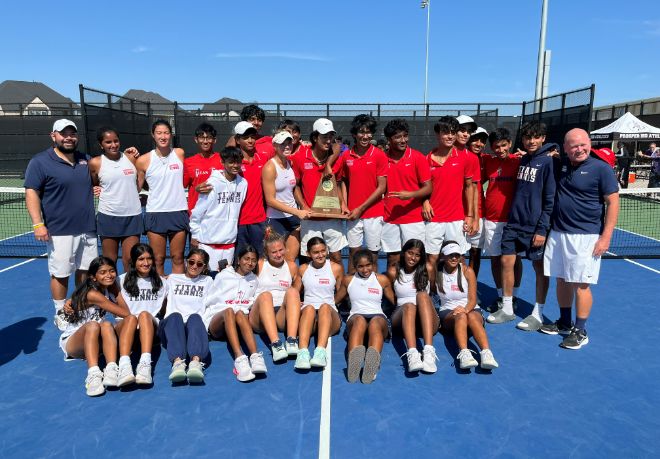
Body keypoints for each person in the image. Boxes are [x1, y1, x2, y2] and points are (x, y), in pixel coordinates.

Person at [540, 129, 619, 349]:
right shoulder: (562, 165)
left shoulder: (601, 169)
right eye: (574, 146)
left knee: (581, 285)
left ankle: (580, 330)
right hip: (558, 233)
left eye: (583, 144)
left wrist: (606, 237)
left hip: (586, 237)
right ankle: (564, 322)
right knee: (561, 279)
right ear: (565, 148)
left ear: (589, 144)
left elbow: (613, 203)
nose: (579, 149)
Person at [487, 121, 558, 331]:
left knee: (539, 269)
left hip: (534, 227)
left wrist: (542, 229)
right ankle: (507, 308)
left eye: (536, 137)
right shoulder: (524, 159)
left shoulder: (549, 162)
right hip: (513, 223)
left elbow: (550, 198)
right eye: (528, 137)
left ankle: (537, 313)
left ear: (543, 138)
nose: (531, 141)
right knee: (506, 261)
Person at [24, 119, 97, 319]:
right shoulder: (40, 162)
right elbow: (31, 193)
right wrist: (38, 224)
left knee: (85, 272)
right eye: (63, 134)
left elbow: (97, 178)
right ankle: (60, 312)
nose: (68, 138)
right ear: (53, 135)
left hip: (88, 229)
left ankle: (81, 306)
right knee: (61, 274)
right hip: (59, 231)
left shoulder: (85, 160)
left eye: (72, 134)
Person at [56, 256, 130, 397]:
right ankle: (93, 375)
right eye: (102, 272)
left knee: (106, 324)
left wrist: (113, 290)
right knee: (93, 326)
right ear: (93, 277)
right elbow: (125, 313)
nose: (109, 275)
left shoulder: (105, 289)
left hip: (93, 338)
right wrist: (117, 291)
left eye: (112, 271)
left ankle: (111, 369)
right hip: (73, 342)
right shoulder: (93, 294)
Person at [204, 245, 266, 382]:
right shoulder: (223, 276)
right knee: (229, 311)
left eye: (253, 260)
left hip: (237, 320)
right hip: (217, 322)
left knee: (238, 313)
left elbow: (253, 301)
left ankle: (255, 356)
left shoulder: (254, 280)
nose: (250, 263)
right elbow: (209, 300)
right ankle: (239, 359)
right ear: (238, 259)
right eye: (246, 259)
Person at [335, 114, 388, 273]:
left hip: (374, 214)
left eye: (368, 132)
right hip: (353, 214)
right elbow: (341, 180)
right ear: (354, 134)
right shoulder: (346, 155)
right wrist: (344, 204)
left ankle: (374, 291)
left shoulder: (379, 155)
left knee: (372, 255)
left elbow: (381, 188)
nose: (365, 136)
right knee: (354, 254)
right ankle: (351, 292)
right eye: (361, 132)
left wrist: (361, 207)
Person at [291, 119, 348, 263]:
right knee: (308, 258)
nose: (328, 140)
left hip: (333, 218)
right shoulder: (300, 158)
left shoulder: (337, 159)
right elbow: (296, 186)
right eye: (324, 137)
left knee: (336, 257)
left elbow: (339, 184)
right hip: (310, 219)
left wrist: (343, 204)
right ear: (315, 138)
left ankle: (338, 286)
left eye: (330, 136)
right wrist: (304, 206)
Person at [136, 119, 188, 275]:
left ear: (171, 135)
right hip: (155, 213)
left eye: (166, 132)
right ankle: (160, 297)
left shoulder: (179, 153)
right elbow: (136, 188)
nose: (163, 136)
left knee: (178, 257)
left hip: (178, 212)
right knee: (157, 259)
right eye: (159, 133)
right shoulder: (143, 160)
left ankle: (175, 297)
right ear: (153, 135)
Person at [422, 116, 472, 277]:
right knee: (432, 259)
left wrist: (470, 215)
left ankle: (462, 294)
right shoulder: (426, 160)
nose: (450, 136)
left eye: (452, 132)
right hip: (433, 219)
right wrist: (424, 202)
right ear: (437, 135)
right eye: (445, 133)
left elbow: (469, 187)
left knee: (459, 259)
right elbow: (422, 187)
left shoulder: (465, 157)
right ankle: (432, 295)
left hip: (456, 219)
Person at [335, 249, 395, 384]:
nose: (365, 269)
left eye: (368, 265)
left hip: (378, 316)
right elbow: (335, 300)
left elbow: (395, 301)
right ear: (355, 267)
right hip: (356, 316)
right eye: (360, 266)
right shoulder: (348, 280)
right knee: (359, 320)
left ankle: (371, 367)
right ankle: (353, 366)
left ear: (373, 264)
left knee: (375, 322)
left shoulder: (382, 279)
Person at [436, 241, 498, 370]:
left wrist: (464, 309)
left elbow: (472, 299)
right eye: (450, 255)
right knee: (461, 317)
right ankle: (464, 353)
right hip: (448, 312)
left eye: (457, 255)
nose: (454, 258)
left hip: (470, 308)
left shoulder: (468, 271)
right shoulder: (435, 272)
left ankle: (487, 354)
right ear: (443, 256)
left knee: (472, 317)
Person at [88, 127, 142, 272]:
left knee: (130, 260)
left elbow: (139, 182)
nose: (113, 145)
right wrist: (94, 188)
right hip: (108, 217)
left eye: (116, 141)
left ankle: (129, 292)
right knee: (109, 262)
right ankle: (111, 294)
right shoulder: (95, 163)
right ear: (101, 145)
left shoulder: (131, 158)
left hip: (132, 216)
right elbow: (93, 183)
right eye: (108, 142)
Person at [481, 128, 523, 312]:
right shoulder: (487, 161)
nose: (500, 149)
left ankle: (513, 296)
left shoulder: (520, 161)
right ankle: (501, 296)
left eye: (503, 145)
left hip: (514, 220)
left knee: (515, 260)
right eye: (496, 146)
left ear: (510, 144)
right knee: (495, 259)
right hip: (491, 220)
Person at [381, 119, 432, 268]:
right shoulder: (382, 158)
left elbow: (428, 187)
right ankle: (395, 291)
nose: (403, 140)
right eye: (398, 137)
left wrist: (410, 195)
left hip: (413, 218)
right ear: (389, 139)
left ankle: (417, 290)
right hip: (389, 218)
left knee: (415, 260)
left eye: (405, 136)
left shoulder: (418, 157)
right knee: (393, 260)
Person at [114, 244, 167, 386]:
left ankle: (145, 365)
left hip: (150, 328)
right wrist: (71, 301)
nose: (146, 263)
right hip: (126, 327)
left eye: (149, 258)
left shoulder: (162, 282)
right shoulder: (120, 280)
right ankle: (125, 367)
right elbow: (94, 289)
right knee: (131, 318)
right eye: (141, 259)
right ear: (133, 261)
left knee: (144, 314)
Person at [158, 248, 213, 384]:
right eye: (192, 262)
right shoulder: (172, 279)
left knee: (195, 317)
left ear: (204, 267)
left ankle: (195, 364)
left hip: (193, 329)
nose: (194, 266)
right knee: (175, 316)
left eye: (199, 264)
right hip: (172, 326)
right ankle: (178, 364)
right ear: (186, 262)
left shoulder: (208, 281)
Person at [189, 147, 247, 272]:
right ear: (222, 163)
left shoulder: (243, 184)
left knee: (224, 281)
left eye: (238, 162)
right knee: (206, 280)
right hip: (208, 243)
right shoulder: (211, 184)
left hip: (229, 243)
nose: (235, 165)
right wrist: (195, 234)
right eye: (231, 162)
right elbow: (198, 212)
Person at [387, 239, 439, 374]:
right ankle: (413, 354)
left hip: (426, 323)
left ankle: (428, 352)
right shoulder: (393, 271)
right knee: (409, 306)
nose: (413, 258)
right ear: (404, 253)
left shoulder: (428, 268)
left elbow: (433, 290)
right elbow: (393, 298)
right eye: (410, 253)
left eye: (417, 255)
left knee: (422, 295)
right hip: (403, 321)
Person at [293, 237, 344, 370]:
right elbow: (295, 293)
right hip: (308, 316)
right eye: (316, 252)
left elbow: (341, 292)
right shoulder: (303, 269)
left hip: (330, 316)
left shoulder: (336, 268)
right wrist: (297, 303)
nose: (320, 255)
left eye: (323, 251)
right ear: (308, 253)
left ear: (327, 250)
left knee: (325, 307)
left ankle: (320, 352)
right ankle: (302, 354)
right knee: (309, 308)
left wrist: (333, 302)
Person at [262, 130, 311, 262]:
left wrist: (303, 206)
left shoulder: (291, 163)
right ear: (275, 146)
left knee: (290, 260)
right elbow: (270, 200)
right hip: (276, 220)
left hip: (293, 219)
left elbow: (293, 188)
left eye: (289, 143)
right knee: (275, 260)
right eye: (283, 144)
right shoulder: (269, 167)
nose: (287, 146)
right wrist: (297, 211)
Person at [253, 228, 302, 357]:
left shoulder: (291, 266)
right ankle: (276, 344)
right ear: (266, 253)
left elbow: (297, 287)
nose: (279, 254)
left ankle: (291, 341)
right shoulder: (260, 265)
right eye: (274, 252)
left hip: (280, 315)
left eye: (281, 250)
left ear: (285, 248)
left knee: (292, 292)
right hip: (259, 316)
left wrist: (296, 299)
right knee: (265, 295)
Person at [233, 121, 270, 256]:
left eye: (253, 137)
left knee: (260, 260)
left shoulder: (264, 159)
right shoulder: (233, 164)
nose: (250, 140)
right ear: (237, 140)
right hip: (238, 222)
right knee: (239, 262)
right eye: (245, 137)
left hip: (259, 221)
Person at [465, 127, 489, 279]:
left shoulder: (487, 160)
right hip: (457, 214)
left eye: (482, 141)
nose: (479, 143)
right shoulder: (457, 156)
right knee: (452, 253)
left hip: (479, 214)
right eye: (475, 139)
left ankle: (471, 288)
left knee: (475, 253)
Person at [183, 122, 223, 213]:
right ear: (196, 140)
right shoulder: (188, 162)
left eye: (209, 137)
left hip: (217, 212)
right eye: (202, 137)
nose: (205, 141)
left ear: (214, 140)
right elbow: (182, 186)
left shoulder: (223, 160)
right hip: (196, 214)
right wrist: (196, 189)